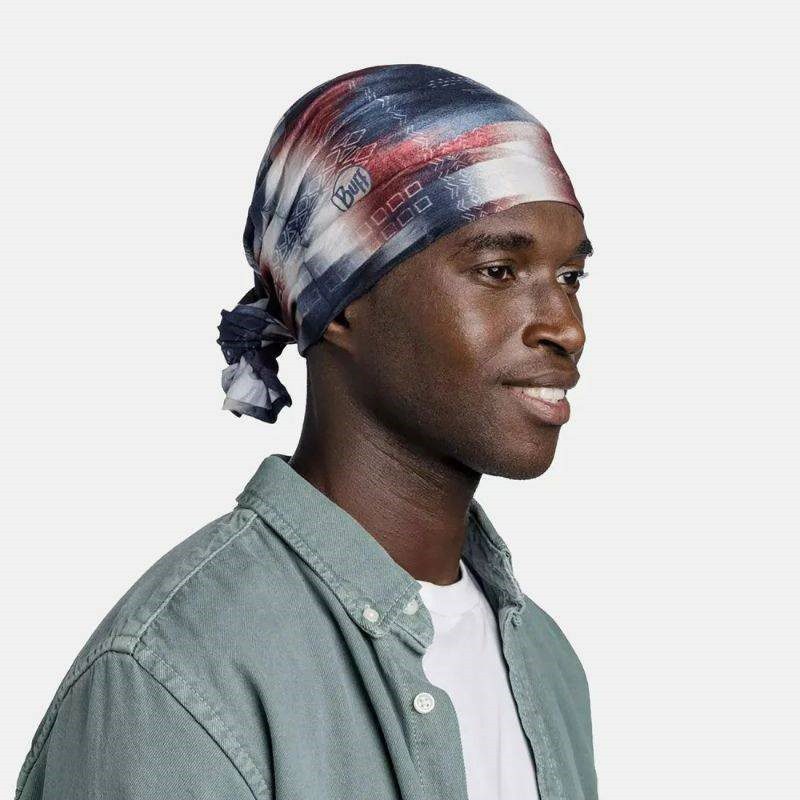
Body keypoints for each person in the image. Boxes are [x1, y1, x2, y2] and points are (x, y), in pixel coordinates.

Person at [15, 64, 598, 800]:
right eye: (497, 271)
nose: (566, 328)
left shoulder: (545, 665)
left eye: (570, 278)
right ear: (343, 299)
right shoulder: (177, 675)